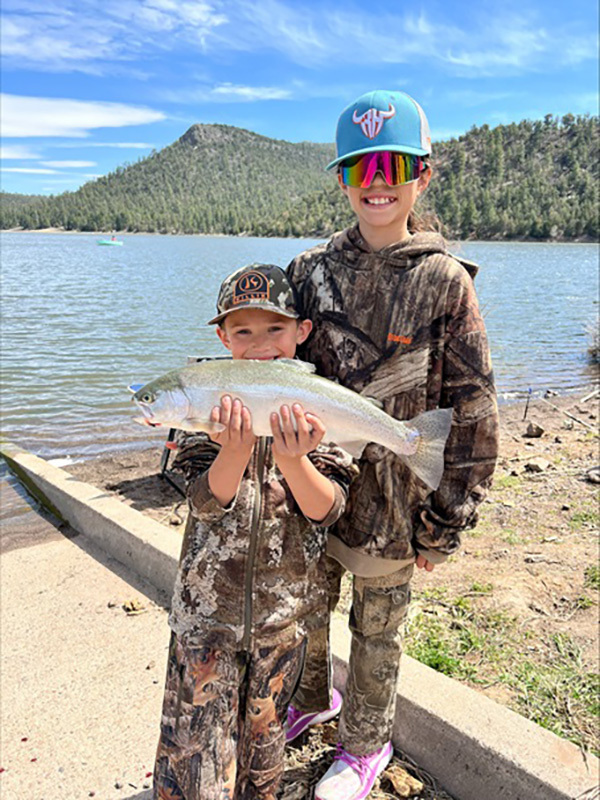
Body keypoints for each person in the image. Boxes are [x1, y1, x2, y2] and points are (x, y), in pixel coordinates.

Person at [286, 89, 499, 800]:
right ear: (343, 179)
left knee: (378, 634)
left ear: (423, 175)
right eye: (359, 167)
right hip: (311, 493)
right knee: (306, 609)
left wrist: (446, 520)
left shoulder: (446, 282)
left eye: (394, 164)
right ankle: (309, 699)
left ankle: (366, 749)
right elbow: (271, 369)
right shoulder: (308, 273)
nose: (377, 181)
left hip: (396, 508)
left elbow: (473, 410)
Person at [152, 263, 358, 800]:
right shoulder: (205, 403)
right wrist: (236, 449)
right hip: (204, 624)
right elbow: (201, 501)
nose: (260, 343)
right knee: (189, 768)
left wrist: (295, 460)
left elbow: (328, 509)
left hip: (281, 623)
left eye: (275, 329)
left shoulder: (320, 405)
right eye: (243, 331)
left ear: (301, 333)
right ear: (222, 338)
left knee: (261, 773)